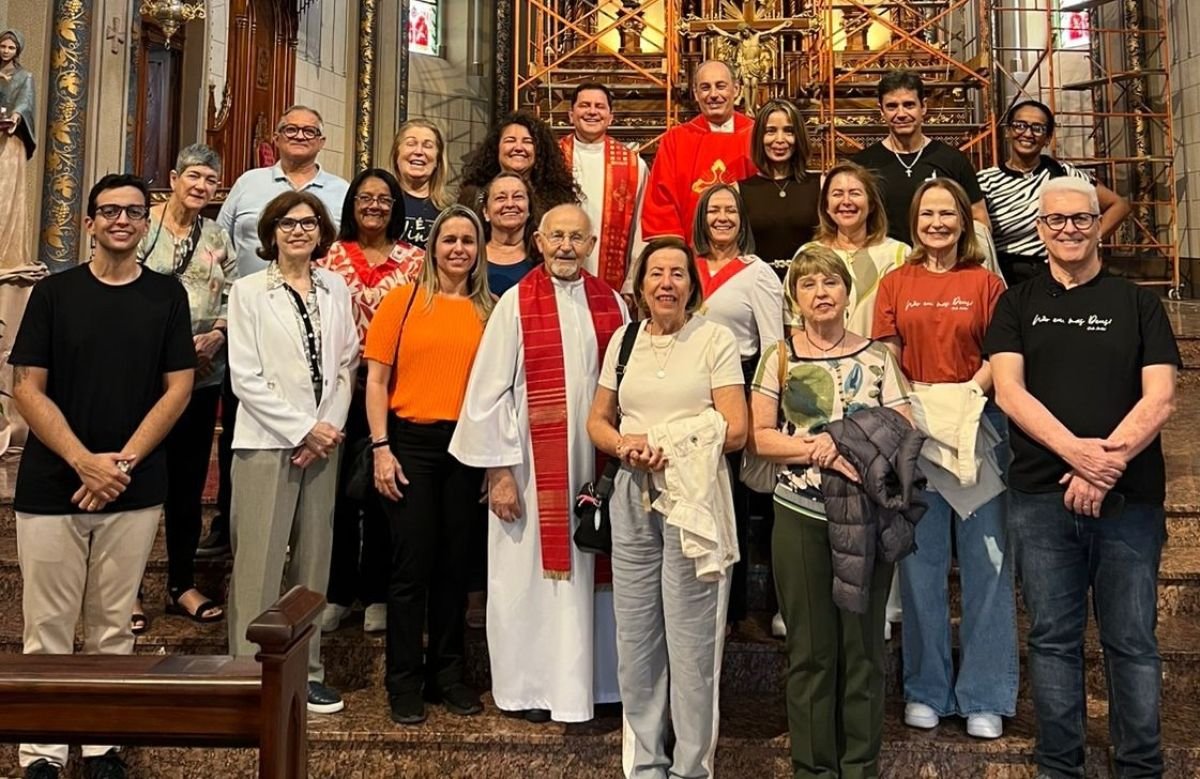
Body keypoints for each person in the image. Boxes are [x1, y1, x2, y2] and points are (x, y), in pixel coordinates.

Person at [986, 176, 1179, 778]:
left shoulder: (1137, 302)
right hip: (1042, 498)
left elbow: (1163, 397)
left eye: (1082, 219)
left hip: (1130, 501)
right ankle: (1058, 767)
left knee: (1132, 644)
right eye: (1057, 220)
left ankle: (1141, 768)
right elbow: (1010, 393)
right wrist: (1077, 454)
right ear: (1039, 229)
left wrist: (1105, 465)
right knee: (1051, 640)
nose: (1069, 229)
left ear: (1099, 225)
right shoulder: (1017, 302)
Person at [11, 174, 195, 779]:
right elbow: (26, 390)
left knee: (113, 623)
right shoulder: (55, 295)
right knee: (48, 627)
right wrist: (84, 461)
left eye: (134, 212)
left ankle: (100, 746)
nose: (122, 220)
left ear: (146, 223)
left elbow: (179, 389)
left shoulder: (167, 296)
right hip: (52, 481)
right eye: (109, 211)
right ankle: (42, 751)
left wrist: (121, 464)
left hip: (133, 485)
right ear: (89, 222)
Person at [449, 203, 625, 723]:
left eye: (577, 237)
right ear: (539, 242)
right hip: (528, 468)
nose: (566, 246)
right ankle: (532, 689)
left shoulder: (612, 303)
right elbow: (486, 393)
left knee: (598, 574)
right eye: (557, 236)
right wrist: (499, 472)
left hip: (596, 467)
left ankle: (598, 686)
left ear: (591, 245)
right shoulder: (515, 303)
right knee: (529, 580)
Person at [587, 237, 748, 779]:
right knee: (635, 638)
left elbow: (736, 427)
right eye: (656, 273)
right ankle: (646, 763)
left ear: (692, 285)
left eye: (678, 273)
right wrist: (623, 446)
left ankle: (690, 766)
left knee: (693, 642)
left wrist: (666, 441)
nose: (666, 283)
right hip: (634, 492)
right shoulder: (624, 339)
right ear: (640, 285)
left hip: (694, 498)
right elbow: (598, 420)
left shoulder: (715, 339)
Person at [749, 244, 912, 779]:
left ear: (847, 292)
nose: (821, 294)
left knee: (863, 650)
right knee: (812, 653)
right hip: (800, 514)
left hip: (866, 515)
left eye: (830, 283)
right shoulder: (780, 356)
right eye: (809, 285)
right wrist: (815, 450)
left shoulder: (878, 357)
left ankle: (860, 767)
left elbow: (904, 428)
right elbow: (761, 439)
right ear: (795, 297)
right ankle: (814, 769)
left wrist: (845, 449)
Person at [872, 178, 1015, 739]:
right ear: (915, 221)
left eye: (947, 213)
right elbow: (886, 354)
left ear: (964, 222)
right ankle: (926, 688)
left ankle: (985, 693)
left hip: (978, 428)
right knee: (921, 565)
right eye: (927, 213)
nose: (937, 222)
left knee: (988, 565)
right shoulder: (894, 282)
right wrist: (914, 406)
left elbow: (1001, 353)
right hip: (916, 430)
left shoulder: (986, 283)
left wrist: (968, 397)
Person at [225, 191, 359, 716]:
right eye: (287, 222)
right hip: (266, 442)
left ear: (322, 231)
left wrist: (327, 428)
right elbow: (246, 378)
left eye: (308, 222)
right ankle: (249, 672)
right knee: (259, 562)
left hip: (324, 444)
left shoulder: (336, 288)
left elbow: (347, 366)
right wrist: (303, 429)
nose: (299, 231)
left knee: (313, 564)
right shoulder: (248, 291)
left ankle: (308, 671)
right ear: (272, 232)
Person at [200, 104, 350, 559]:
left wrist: (320, 428)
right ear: (277, 137)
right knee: (236, 436)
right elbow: (218, 246)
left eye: (310, 130)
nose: (301, 136)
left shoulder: (340, 191)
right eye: (291, 129)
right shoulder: (248, 184)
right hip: (248, 317)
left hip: (316, 317)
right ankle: (229, 521)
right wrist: (219, 315)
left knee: (314, 552)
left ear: (323, 140)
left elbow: (346, 364)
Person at [364, 204, 494, 725]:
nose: (458, 249)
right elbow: (375, 381)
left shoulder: (491, 309)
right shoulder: (403, 301)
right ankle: (404, 681)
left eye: (468, 241)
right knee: (411, 567)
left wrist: (493, 462)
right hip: (410, 443)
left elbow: (500, 393)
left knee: (454, 566)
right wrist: (380, 447)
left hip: (467, 447)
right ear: (433, 247)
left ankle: (447, 674)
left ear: (479, 251)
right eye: (449, 240)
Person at [132, 144, 236, 632]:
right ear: (174, 177)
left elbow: (233, 292)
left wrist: (217, 335)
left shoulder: (216, 234)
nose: (200, 187)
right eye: (193, 177)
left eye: (210, 182)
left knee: (188, 484)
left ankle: (180, 584)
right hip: (140, 379)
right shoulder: (141, 226)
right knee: (135, 478)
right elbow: (117, 287)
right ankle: (127, 590)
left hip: (200, 377)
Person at [317, 168, 424, 635]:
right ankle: (339, 592)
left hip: (396, 392)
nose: (375, 205)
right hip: (342, 392)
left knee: (387, 495)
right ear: (352, 204)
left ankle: (378, 593)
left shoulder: (415, 261)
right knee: (340, 496)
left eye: (384, 198)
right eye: (365, 197)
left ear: (396, 206)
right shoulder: (329, 258)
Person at [691, 183, 783, 634]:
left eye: (730, 210)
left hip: (739, 387)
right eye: (713, 210)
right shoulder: (684, 266)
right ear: (701, 217)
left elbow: (772, 344)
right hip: (688, 392)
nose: (722, 217)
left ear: (741, 219)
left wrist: (767, 402)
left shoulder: (757, 273)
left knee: (735, 500)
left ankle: (737, 610)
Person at [979, 99, 1131, 284]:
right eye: (1020, 125)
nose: (1027, 133)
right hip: (1005, 274)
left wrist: (1091, 241)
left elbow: (1119, 205)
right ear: (1008, 131)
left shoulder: (1063, 174)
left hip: (1056, 272)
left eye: (1038, 128)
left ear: (1048, 138)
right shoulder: (985, 181)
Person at [852, 70, 988, 246]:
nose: (901, 114)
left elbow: (978, 219)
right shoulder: (863, 164)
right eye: (892, 106)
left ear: (923, 107)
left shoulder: (953, 160)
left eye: (909, 105)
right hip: (885, 266)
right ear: (881, 111)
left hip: (942, 264)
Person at [641, 60, 757, 243]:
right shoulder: (676, 139)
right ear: (695, 94)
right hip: (691, 253)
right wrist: (678, 255)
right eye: (705, 88)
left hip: (749, 251)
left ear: (736, 89)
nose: (713, 95)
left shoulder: (757, 134)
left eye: (720, 86)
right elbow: (661, 201)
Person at [792, 161, 909, 337]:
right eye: (837, 194)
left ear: (872, 204)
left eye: (855, 193)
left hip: (880, 359)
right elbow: (794, 322)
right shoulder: (808, 254)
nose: (846, 201)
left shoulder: (899, 255)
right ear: (826, 206)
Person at [560, 82, 647, 293]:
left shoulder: (633, 165)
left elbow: (641, 228)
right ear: (571, 115)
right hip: (557, 271)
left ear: (610, 117)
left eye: (599, 107)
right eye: (584, 105)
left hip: (611, 283)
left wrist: (631, 283)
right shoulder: (552, 158)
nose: (592, 111)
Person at [737, 99, 820, 273]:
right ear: (760, 137)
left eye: (789, 131)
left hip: (807, 284)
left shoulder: (821, 184)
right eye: (771, 131)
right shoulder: (738, 190)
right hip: (758, 286)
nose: (780, 139)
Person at [458, 111, 579, 219]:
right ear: (496, 148)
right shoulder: (473, 196)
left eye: (527, 142)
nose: (518, 148)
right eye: (510, 140)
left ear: (539, 151)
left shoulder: (557, 199)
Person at [0, 29, 37, 270]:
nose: (5, 51)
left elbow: (25, 101)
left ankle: (7, 252)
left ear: (17, 51)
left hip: (10, 140)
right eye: (3, 46)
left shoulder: (25, 76)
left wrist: (15, 116)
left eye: (11, 48)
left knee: (6, 191)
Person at [391, 118, 451, 249]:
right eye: (411, 143)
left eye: (427, 145)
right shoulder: (382, 203)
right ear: (396, 155)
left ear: (437, 160)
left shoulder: (449, 210)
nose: (419, 151)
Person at [483, 171, 538, 298]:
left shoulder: (543, 260)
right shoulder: (471, 258)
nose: (510, 204)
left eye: (518, 197)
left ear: (529, 209)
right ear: (486, 212)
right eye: (500, 198)